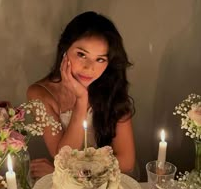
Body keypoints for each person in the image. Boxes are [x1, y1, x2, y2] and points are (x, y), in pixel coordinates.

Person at [27, 11, 136, 179]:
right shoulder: (40, 94)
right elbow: (63, 157)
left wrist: (72, 173)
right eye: (81, 54)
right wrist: (81, 99)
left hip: (109, 180)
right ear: (65, 50)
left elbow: (127, 161)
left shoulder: (111, 86)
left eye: (100, 59)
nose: (89, 68)